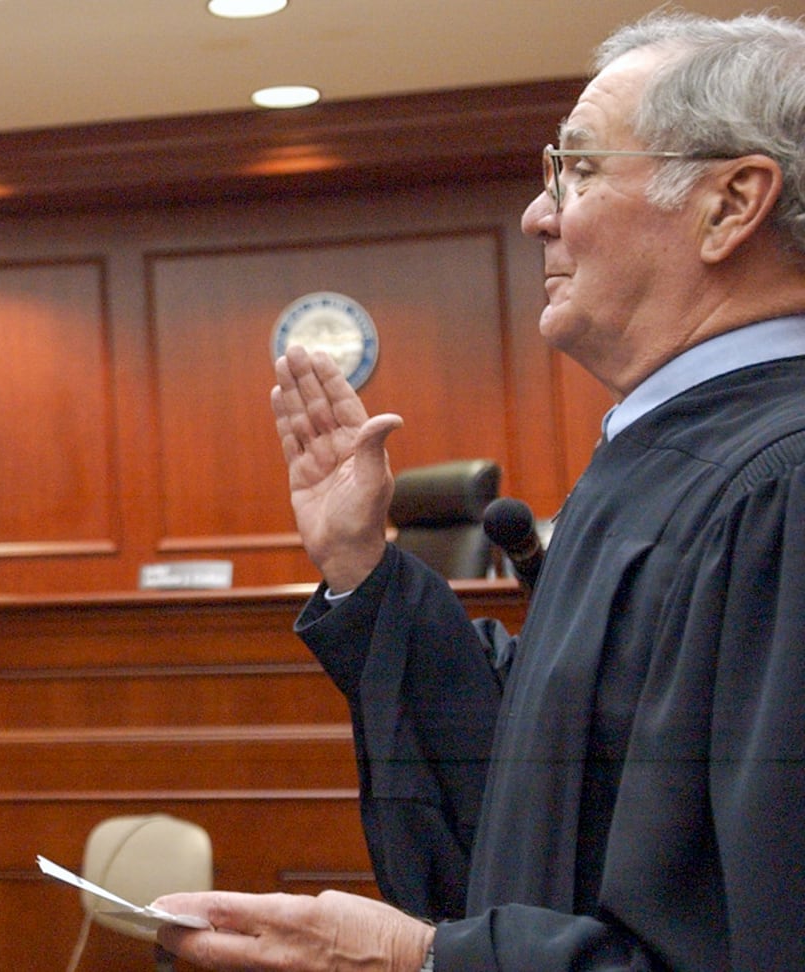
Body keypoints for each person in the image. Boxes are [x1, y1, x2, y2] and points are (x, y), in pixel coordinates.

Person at [152, 10, 805, 972]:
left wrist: (419, 961)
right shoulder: (668, 454)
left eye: (579, 171)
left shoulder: (777, 487)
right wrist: (363, 572)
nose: (540, 213)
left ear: (730, 203)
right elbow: (547, 788)